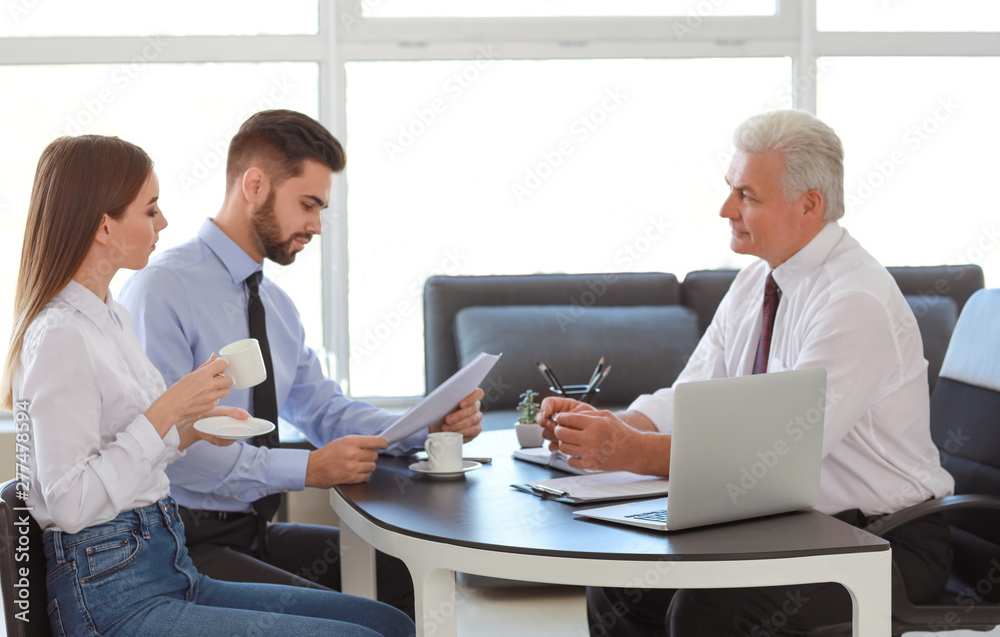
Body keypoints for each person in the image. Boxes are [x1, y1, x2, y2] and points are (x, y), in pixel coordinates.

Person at [539, 110, 955, 636]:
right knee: (621, 585)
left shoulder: (854, 301)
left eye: (747, 196)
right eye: (730, 189)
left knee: (710, 610)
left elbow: (774, 456)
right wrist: (613, 424)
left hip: (884, 541)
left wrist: (627, 451)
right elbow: (689, 396)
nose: (725, 209)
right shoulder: (756, 282)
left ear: (810, 205)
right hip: (792, 526)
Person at [0, 135, 414, 636]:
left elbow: (128, 452)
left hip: (166, 565)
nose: (164, 223)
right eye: (150, 209)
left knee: (385, 622)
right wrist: (168, 412)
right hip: (110, 594)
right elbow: (68, 503)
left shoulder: (112, 317)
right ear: (104, 224)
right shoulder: (61, 334)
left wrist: (192, 429)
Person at [119, 109, 483, 617]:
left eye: (321, 209)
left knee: (397, 573)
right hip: (178, 541)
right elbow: (175, 447)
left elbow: (325, 409)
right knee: (344, 619)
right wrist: (309, 468)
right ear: (254, 184)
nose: (316, 224)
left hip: (249, 530)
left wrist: (427, 427)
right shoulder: (163, 289)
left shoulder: (275, 308)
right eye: (308, 204)